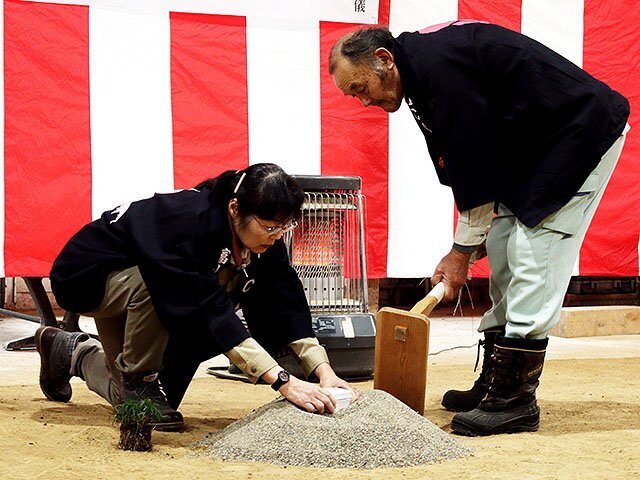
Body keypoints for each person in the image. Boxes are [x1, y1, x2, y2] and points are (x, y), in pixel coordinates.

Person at [329, 21, 630, 436]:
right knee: (506, 244)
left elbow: (477, 165)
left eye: (360, 88)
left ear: (384, 60)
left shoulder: (438, 71)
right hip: (534, 147)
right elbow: (467, 164)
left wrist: (460, 252)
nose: (362, 101)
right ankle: (495, 381)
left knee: (533, 247)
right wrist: (474, 241)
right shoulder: (419, 70)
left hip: (579, 132)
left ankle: (515, 399)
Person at [37, 163, 359, 431]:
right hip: (89, 277)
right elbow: (206, 305)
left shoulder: (262, 237)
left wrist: (322, 369)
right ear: (235, 209)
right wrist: (283, 381)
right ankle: (139, 378)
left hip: (145, 288)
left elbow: (285, 296)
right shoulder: (190, 223)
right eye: (270, 228)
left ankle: (70, 352)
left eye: (283, 229)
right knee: (164, 289)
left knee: (156, 404)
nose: (276, 237)